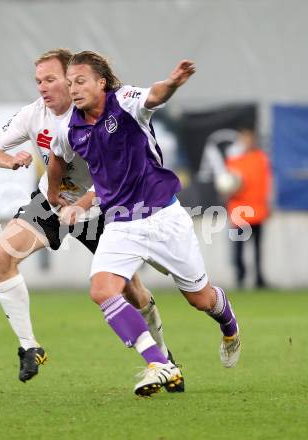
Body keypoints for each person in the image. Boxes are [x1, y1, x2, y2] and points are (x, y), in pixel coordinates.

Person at [0, 49, 183, 390]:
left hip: (104, 206)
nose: (44, 87)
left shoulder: (98, 110)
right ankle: (30, 347)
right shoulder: (34, 114)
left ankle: (164, 359)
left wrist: (84, 204)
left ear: (72, 80)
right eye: (39, 81)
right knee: (1, 256)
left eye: (51, 79)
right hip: (54, 201)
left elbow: (125, 161)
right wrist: (10, 160)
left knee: (132, 290)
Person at [48, 51, 240, 397]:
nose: (73, 89)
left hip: (164, 218)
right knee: (102, 290)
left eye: (81, 81)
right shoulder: (69, 129)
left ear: (101, 82)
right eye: (70, 82)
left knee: (200, 299)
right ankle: (159, 362)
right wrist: (68, 202)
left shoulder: (124, 101)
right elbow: (59, 161)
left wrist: (173, 84)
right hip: (120, 224)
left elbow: (155, 94)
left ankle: (229, 325)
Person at [225, 129, 271, 288]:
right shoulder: (233, 160)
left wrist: (267, 204)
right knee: (238, 248)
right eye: (244, 139)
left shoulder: (260, 158)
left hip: (257, 210)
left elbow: (266, 183)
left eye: (250, 139)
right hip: (239, 211)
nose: (247, 142)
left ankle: (259, 278)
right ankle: (240, 278)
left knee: (258, 248)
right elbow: (227, 185)